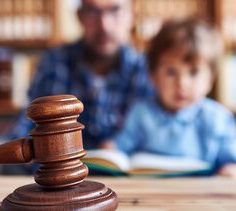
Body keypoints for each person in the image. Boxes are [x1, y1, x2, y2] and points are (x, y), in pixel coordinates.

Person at [102, 18, 236, 178]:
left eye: (193, 72)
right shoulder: (141, 113)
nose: (181, 83)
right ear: (153, 76)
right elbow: (119, 146)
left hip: (200, 198)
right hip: (149, 195)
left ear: (210, 79)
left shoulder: (216, 119)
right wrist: (108, 151)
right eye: (171, 72)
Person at [8, 0, 152, 150]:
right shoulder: (55, 63)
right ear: (79, 15)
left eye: (115, 10)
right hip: (58, 171)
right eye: (92, 11)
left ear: (132, 13)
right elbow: (27, 124)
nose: (104, 25)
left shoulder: (148, 70)